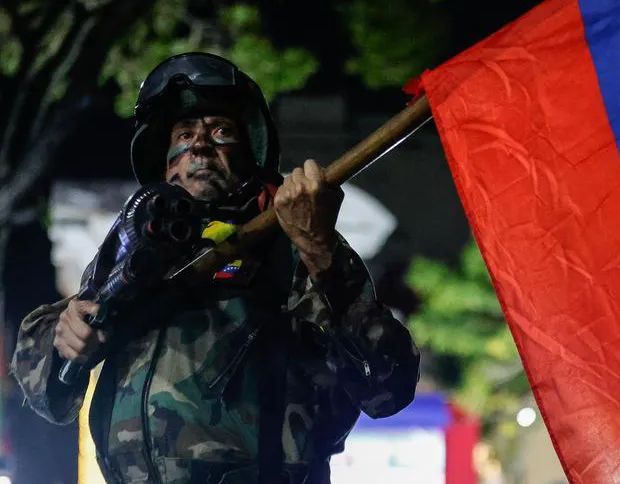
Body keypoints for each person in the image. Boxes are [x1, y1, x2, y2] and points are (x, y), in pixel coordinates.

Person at [10, 52, 420, 484]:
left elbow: (387, 389)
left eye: (221, 131)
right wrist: (65, 338)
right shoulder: (137, 245)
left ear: (250, 151)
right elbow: (48, 390)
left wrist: (318, 249)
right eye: (184, 134)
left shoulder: (296, 240)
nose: (200, 144)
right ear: (166, 161)